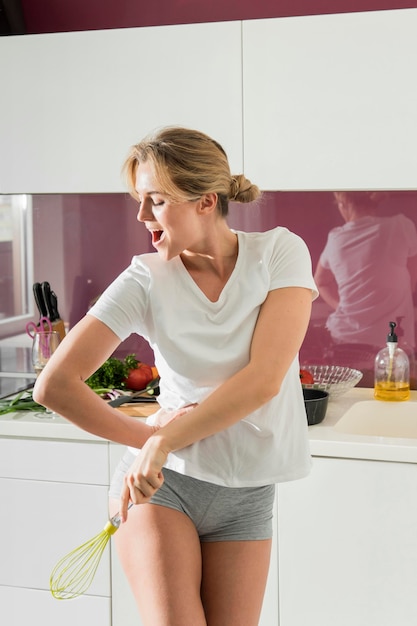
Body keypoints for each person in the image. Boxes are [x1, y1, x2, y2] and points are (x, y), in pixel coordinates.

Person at [34, 126, 318, 626]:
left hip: (247, 491)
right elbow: (54, 385)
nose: (142, 216)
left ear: (206, 201)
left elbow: (264, 379)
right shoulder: (145, 278)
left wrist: (163, 441)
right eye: (140, 200)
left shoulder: (278, 252)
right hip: (164, 489)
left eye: (156, 201)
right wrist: (147, 440)